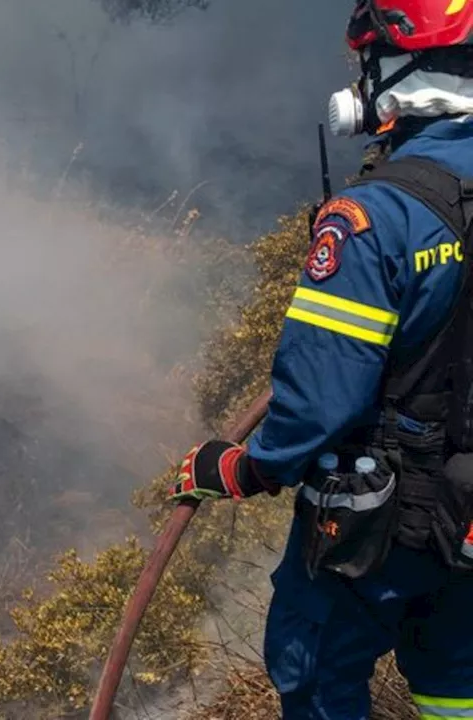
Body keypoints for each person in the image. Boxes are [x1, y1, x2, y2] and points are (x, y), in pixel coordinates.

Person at [168, 2, 473, 717]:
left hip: (381, 528)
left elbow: (321, 398)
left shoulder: (375, 218)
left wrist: (243, 466)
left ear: (397, 67)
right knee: (457, 685)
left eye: (365, 62)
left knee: (314, 675)